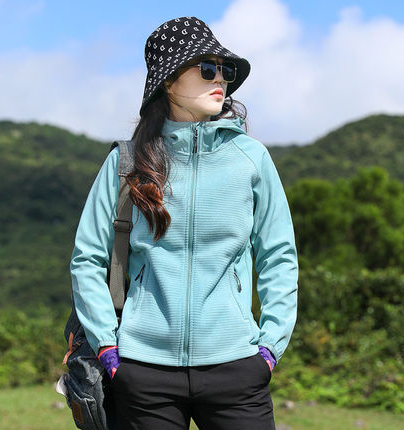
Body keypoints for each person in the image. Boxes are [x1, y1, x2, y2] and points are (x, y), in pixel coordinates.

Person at [70, 16, 298, 430]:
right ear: (169, 82)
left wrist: (269, 348)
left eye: (225, 70)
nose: (220, 79)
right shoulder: (126, 162)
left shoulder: (252, 159)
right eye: (207, 68)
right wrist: (107, 347)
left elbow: (279, 256)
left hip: (237, 367)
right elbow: (87, 259)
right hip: (143, 371)